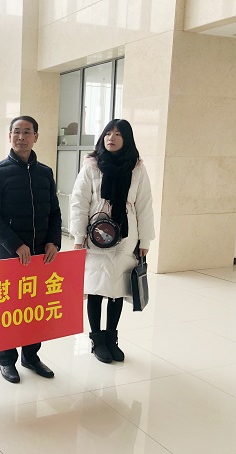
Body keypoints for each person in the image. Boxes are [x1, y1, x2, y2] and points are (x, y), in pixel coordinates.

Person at [0, 115, 62, 383]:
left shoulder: (45, 173)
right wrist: (15, 244)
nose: (21, 137)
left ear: (36, 137)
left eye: (27, 132)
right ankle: (6, 360)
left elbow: (54, 212)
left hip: (40, 255)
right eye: (16, 132)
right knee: (9, 309)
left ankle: (31, 355)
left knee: (34, 307)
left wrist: (54, 241)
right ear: (9, 136)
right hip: (10, 254)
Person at [70, 119, 154, 363]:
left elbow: (144, 205)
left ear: (126, 139)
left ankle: (111, 338)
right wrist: (78, 236)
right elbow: (79, 202)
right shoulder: (91, 166)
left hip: (126, 235)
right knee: (96, 288)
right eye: (108, 133)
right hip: (95, 235)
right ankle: (97, 340)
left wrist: (145, 240)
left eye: (118, 134)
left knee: (117, 289)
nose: (111, 138)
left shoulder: (137, 168)